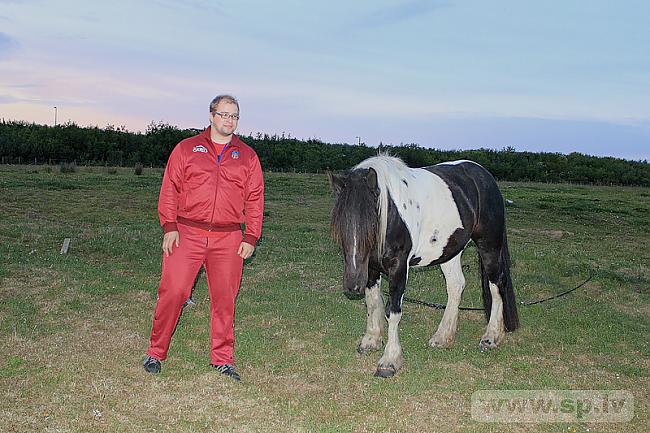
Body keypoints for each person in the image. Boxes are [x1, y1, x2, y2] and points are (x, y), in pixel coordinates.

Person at [143, 94, 264, 381]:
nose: (229, 120)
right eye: (224, 114)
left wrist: (251, 236)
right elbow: (170, 188)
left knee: (225, 299)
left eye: (234, 116)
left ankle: (222, 358)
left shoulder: (247, 156)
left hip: (229, 238)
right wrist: (169, 225)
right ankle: (156, 352)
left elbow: (255, 198)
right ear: (211, 116)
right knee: (173, 293)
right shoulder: (187, 149)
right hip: (186, 233)